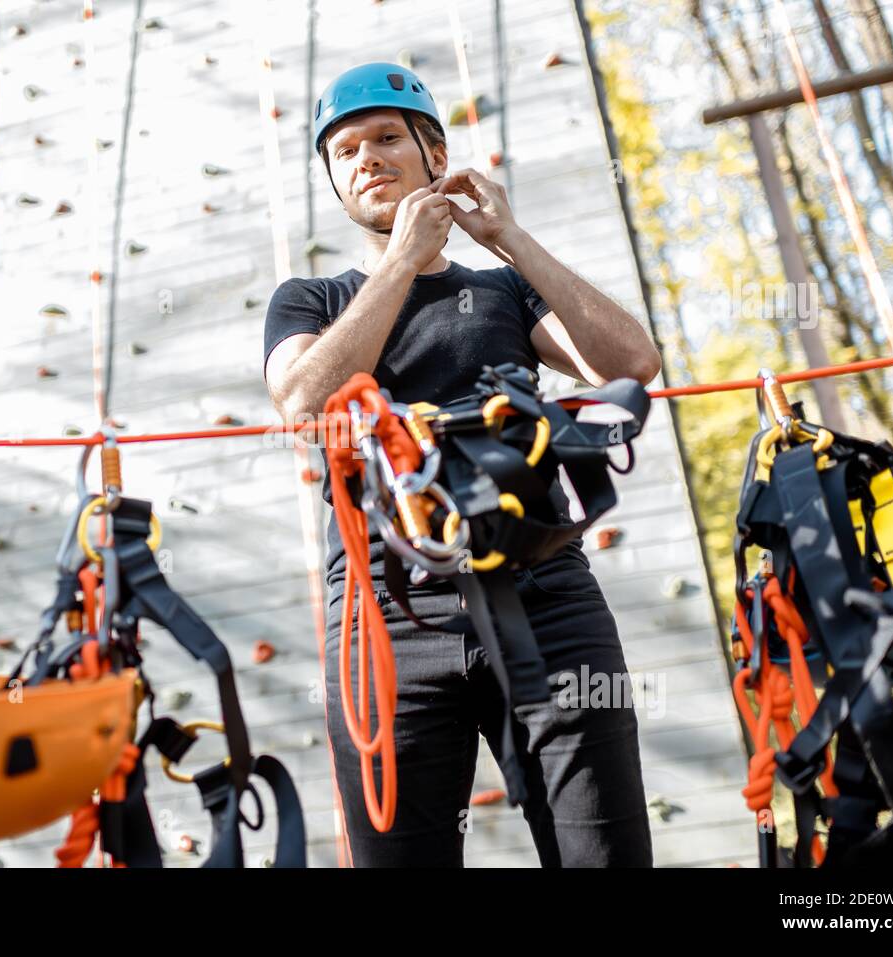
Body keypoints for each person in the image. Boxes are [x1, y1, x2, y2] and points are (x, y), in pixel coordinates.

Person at [262, 62, 662, 867]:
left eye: (384, 138)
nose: (366, 158)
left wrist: (508, 237)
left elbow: (631, 361)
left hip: (544, 596)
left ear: (434, 155)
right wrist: (400, 262)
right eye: (345, 152)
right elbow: (304, 401)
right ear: (336, 183)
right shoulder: (311, 299)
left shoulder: (506, 290)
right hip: (387, 615)